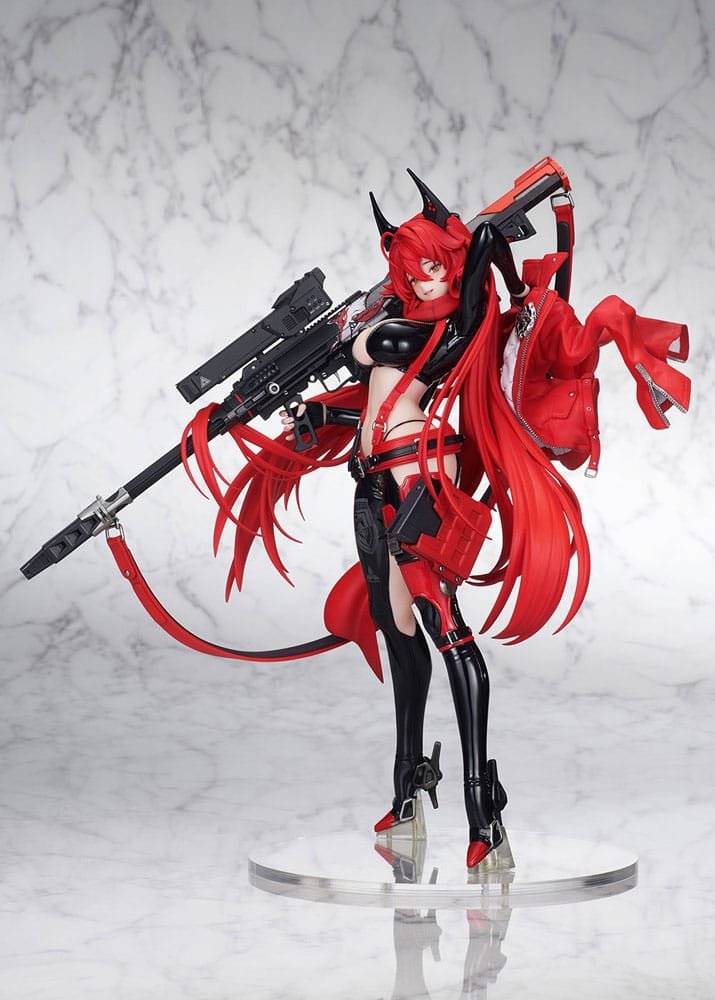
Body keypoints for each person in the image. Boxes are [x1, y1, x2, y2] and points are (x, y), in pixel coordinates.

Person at [183, 168, 690, 868]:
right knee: (398, 633)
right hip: (372, 481)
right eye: (412, 269)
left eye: (433, 266)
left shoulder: (455, 325)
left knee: (443, 626)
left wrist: (518, 204)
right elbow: (374, 400)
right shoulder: (396, 323)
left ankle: (485, 810)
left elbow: (476, 249)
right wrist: (313, 411)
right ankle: (408, 792)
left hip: (418, 475)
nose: (425, 280)